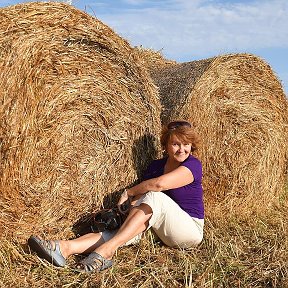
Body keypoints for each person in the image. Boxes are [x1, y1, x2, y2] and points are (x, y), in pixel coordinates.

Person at [28, 120, 204, 272]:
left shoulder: (193, 165)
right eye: (176, 144)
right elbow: (141, 198)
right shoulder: (155, 166)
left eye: (186, 144)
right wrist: (127, 210)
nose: (182, 149)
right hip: (159, 228)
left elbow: (158, 185)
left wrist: (129, 192)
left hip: (189, 231)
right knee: (122, 230)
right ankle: (64, 248)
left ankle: (106, 252)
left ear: (191, 146)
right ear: (166, 145)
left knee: (154, 195)